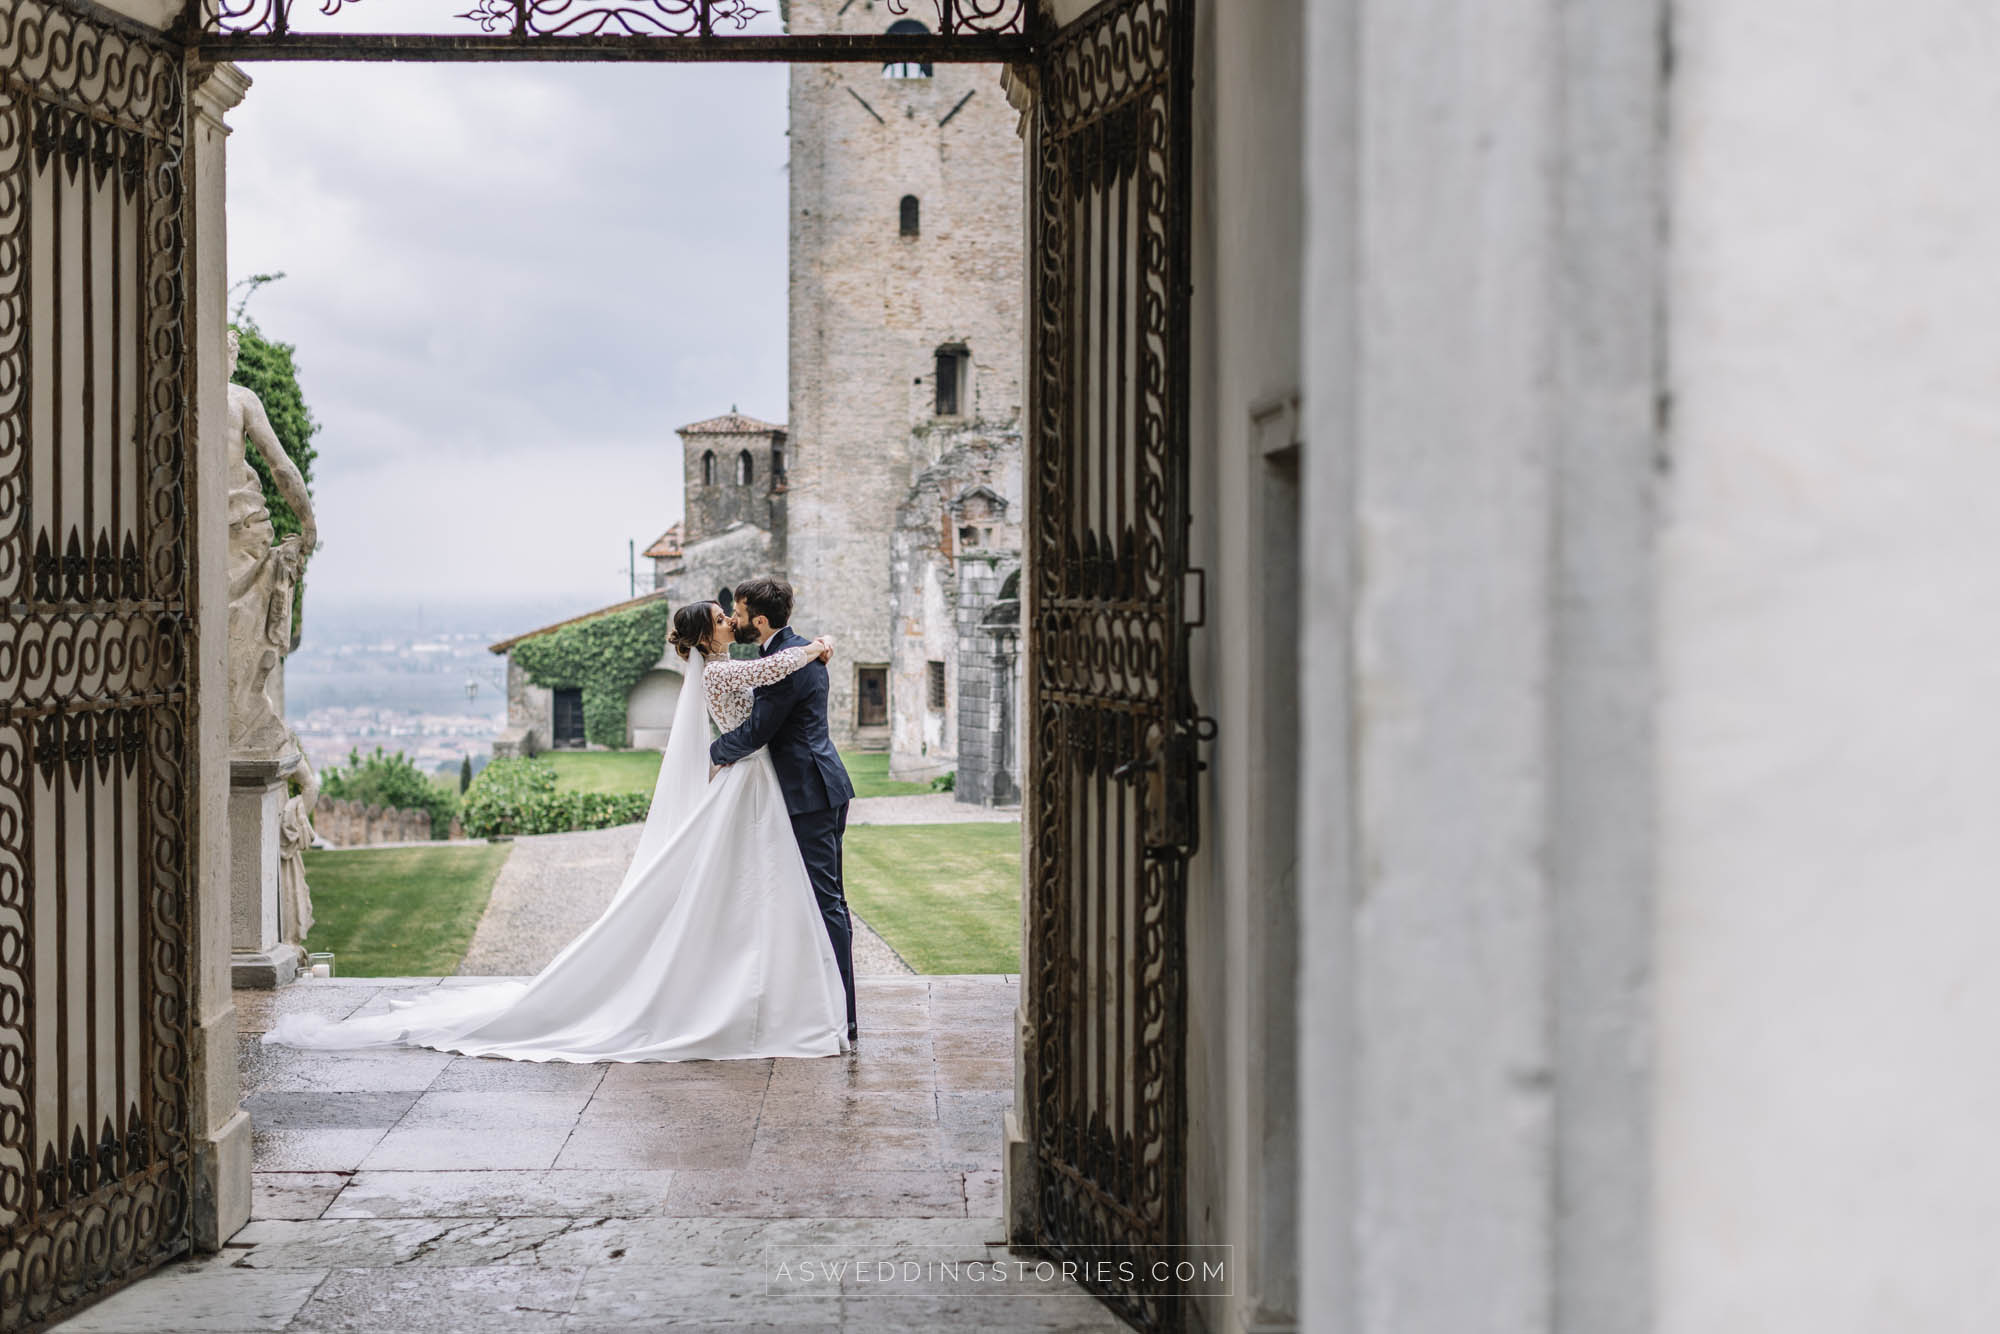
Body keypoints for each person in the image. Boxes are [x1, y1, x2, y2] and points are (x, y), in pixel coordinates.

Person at [261, 601, 848, 1061]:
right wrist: (817, 647)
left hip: (748, 785)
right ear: (705, 637)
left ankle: (756, 990)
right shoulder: (720, 674)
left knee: (747, 890)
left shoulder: (718, 668)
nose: (729, 622)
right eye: (722, 620)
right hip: (745, 786)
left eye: (729, 616)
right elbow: (769, 667)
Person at [709, 578, 860, 1043]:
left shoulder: (786, 662)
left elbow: (758, 731)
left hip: (808, 792)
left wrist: (711, 754)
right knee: (827, 898)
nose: (732, 620)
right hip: (821, 785)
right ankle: (826, 1001)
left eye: (737, 613)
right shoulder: (800, 650)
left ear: (759, 620)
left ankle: (844, 1012)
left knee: (825, 900)